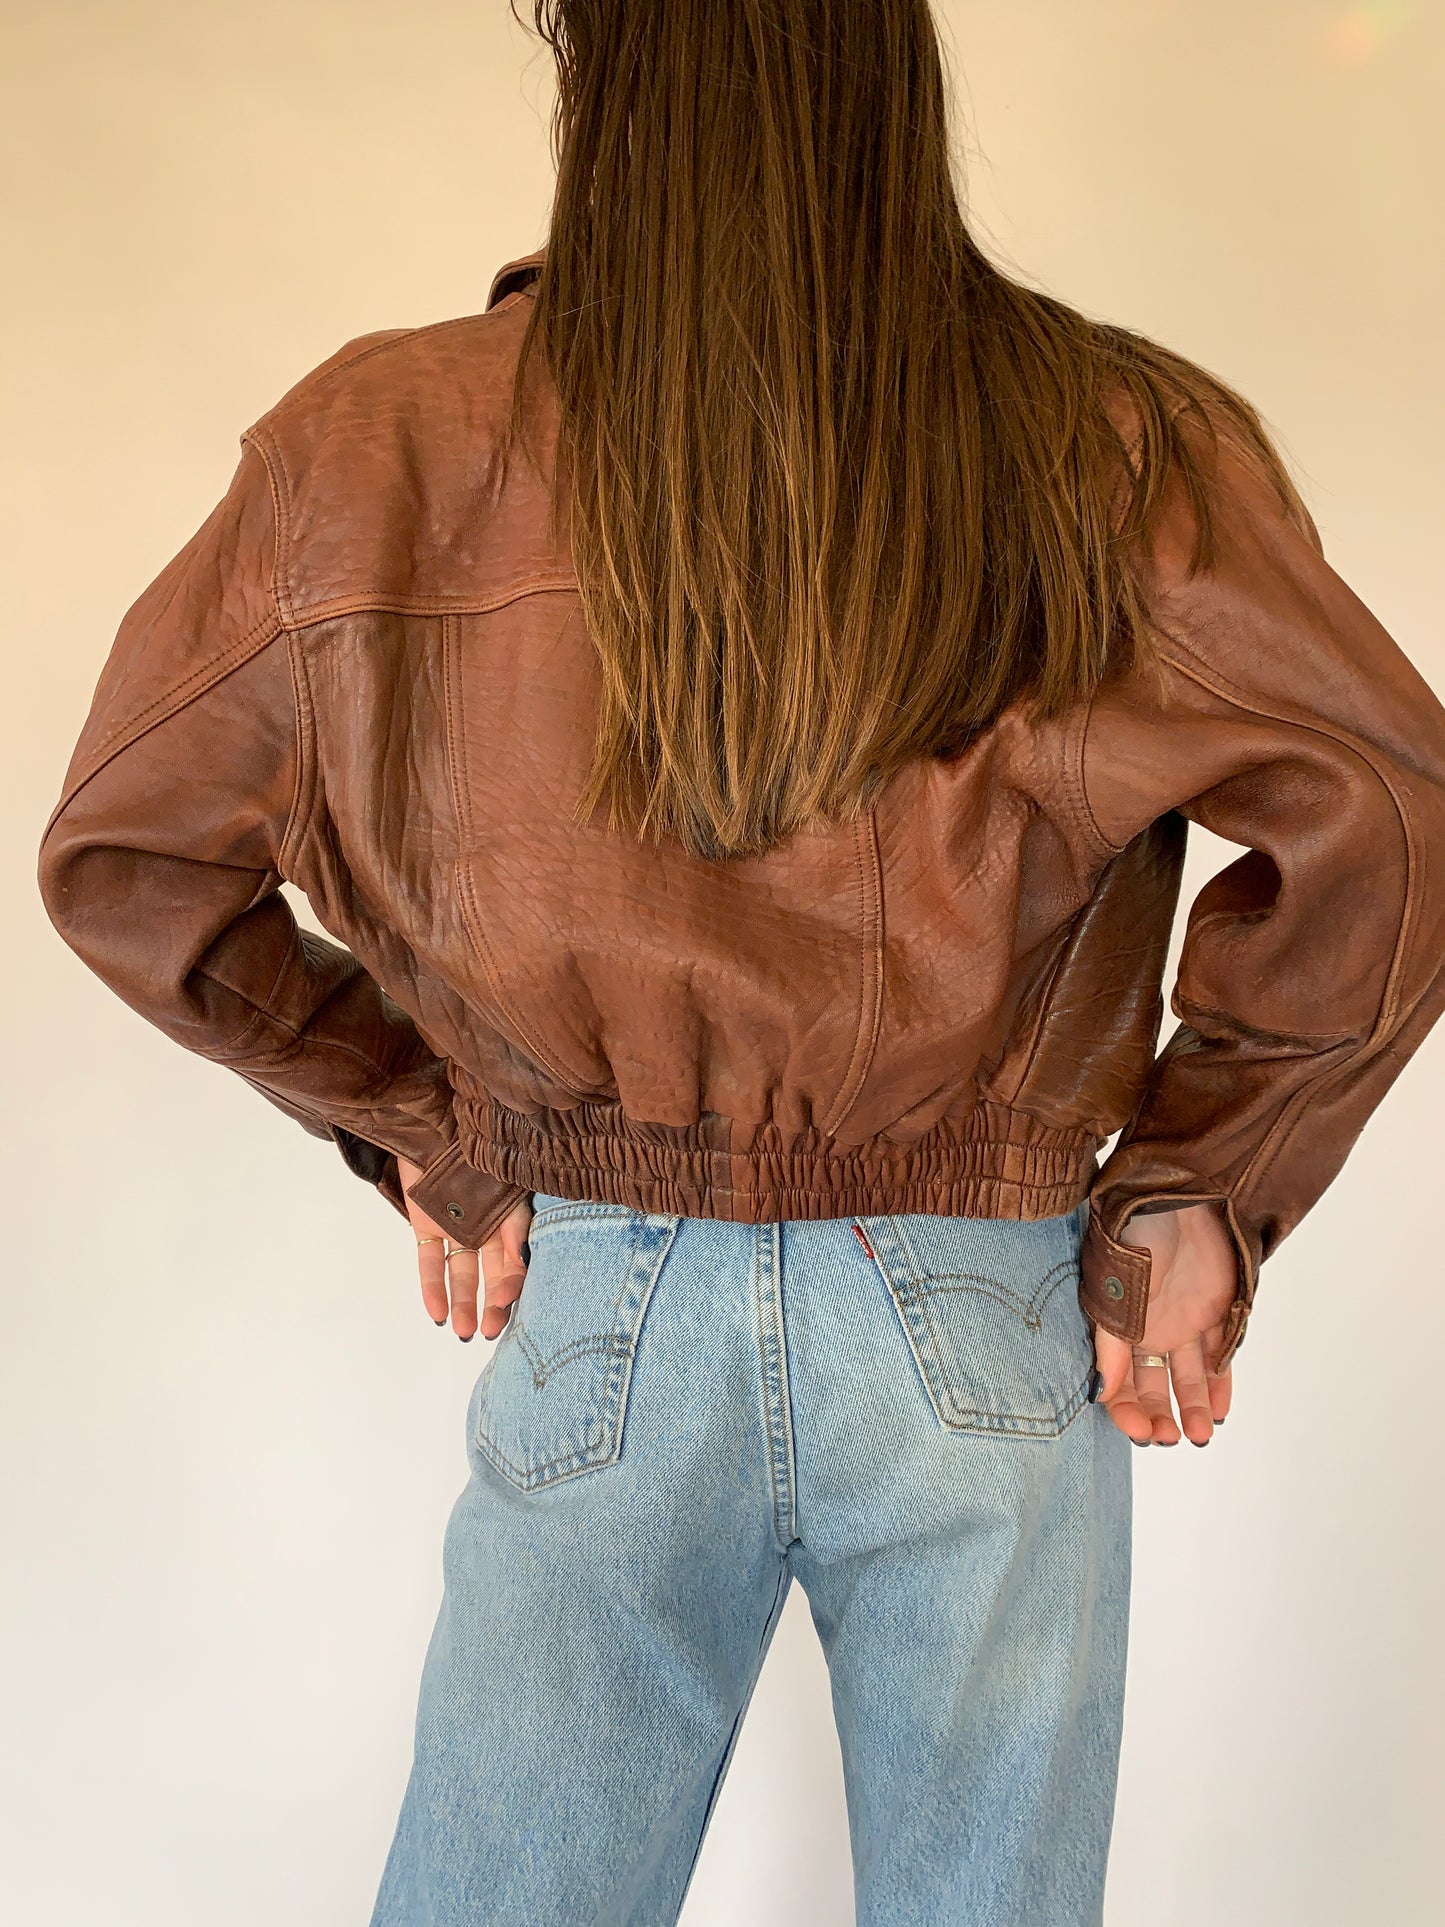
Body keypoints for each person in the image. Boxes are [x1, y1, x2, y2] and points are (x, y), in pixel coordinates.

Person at [35, 2, 1445, 1922]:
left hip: (601, 1292)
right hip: (984, 1315)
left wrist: (435, 1126)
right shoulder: (1109, 441)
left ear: (602, 78)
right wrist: (1205, 1183)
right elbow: (1390, 804)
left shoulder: (383, 443)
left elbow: (126, 846)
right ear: (888, 82)